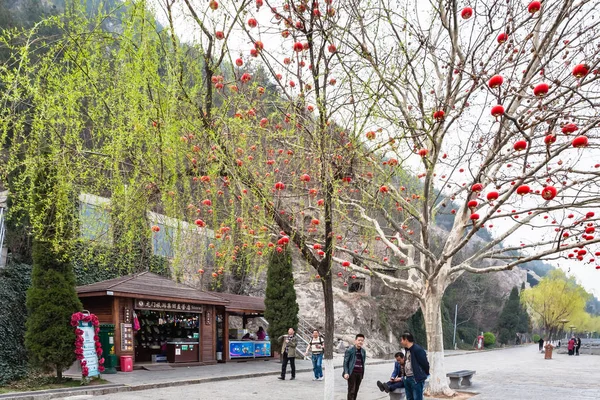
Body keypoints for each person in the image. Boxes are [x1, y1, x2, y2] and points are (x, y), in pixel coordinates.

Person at [401, 332, 430, 400]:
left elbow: (425, 364)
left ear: (406, 340)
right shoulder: (407, 350)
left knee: (417, 398)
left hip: (415, 379)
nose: (401, 342)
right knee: (409, 398)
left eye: (402, 340)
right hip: (407, 378)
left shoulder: (417, 349)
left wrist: (422, 374)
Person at [343, 333, 366, 400]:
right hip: (352, 372)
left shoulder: (363, 351)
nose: (360, 342)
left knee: (356, 390)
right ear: (355, 341)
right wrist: (346, 372)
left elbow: (363, 362)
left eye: (362, 340)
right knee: (351, 391)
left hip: (360, 373)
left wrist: (362, 374)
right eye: (359, 340)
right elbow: (345, 362)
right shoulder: (350, 350)